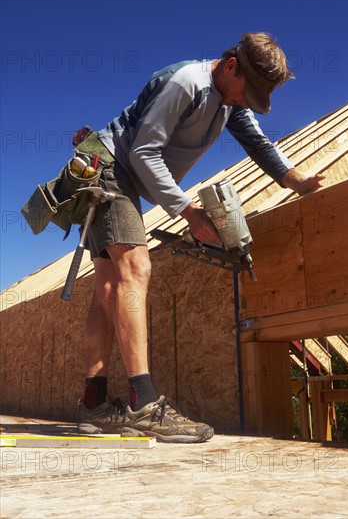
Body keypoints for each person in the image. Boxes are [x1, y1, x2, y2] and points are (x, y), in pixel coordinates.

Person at [76, 32, 325, 442]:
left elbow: (259, 144)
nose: (247, 102)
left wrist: (293, 179)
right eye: (249, 90)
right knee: (136, 267)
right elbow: (142, 152)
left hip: (127, 177)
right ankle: (144, 405)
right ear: (231, 67)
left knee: (107, 286)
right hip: (110, 165)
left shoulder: (230, 102)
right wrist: (187, 211)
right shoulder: (187, 82)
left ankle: (93, 405)